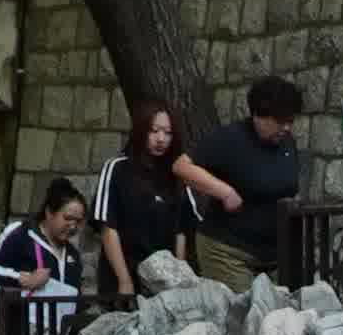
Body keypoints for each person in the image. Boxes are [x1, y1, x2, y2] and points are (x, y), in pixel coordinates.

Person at [95, 102, 237, 293]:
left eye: (168, 133)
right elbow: (108, 227)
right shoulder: (117, 168)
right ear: (141, 131)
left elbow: (181, 231)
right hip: (124, 282)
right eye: (154, 131)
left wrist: (177, 281)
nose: (161, 139)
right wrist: (124, 280)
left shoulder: (176, 175)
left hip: (163, 286)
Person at [207, 76, 312, 283]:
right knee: (248, 312)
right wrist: (224, 192)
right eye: (280, 121)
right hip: (229, 253)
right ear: (258, 115)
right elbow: (183, 166)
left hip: (274, 255)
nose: (287, 127)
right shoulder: (230, 138)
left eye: (290, 121)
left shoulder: (287, 143)